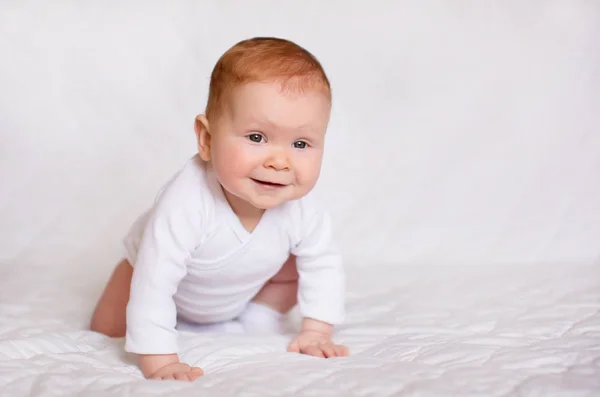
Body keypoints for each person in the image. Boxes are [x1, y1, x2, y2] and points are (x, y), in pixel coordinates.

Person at [90, 37, 348, 382]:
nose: (279, 162)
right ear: (206, 139)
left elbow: (324, 263)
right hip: (156, 278)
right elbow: (155, 280)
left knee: (301, 264)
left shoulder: (302, 206)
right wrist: (161, 360)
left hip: (239, 291)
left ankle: (257, 317)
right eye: (257, 137)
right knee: (104, 331)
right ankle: (142, 327)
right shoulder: (185, 201)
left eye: (300, 144)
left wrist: (318, 329)